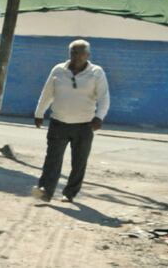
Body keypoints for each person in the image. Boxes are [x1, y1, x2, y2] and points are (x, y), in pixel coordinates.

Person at [31, 39, 110, 203]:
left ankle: (70, 193)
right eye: (73, 52)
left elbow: (104, 98)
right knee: (52, 159)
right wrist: (39, 113)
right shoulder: (58, 70)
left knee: (79, 162)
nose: (76, 56)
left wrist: (99, 117)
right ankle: (45, 191)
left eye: (80, 53)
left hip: (84, 125)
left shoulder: (96, 73)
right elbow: (47, 93)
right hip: (58, 122)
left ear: (87, 55)